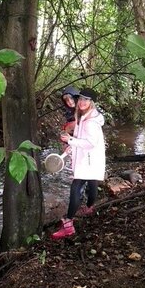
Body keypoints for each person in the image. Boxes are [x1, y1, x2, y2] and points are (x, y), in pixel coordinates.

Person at [51, 87, 106, 240]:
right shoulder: (85, 116)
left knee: (76, 188)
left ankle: (68, 224)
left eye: (86, 100)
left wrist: (70, 140)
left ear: (91, 103)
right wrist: (71, 145)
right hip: (89, 159)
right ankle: (89, 208)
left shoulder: (90, 122)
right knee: (92, 182)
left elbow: (90, 143)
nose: (82, 102)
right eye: (81, 99)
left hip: (87, 160)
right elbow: (82, 138)